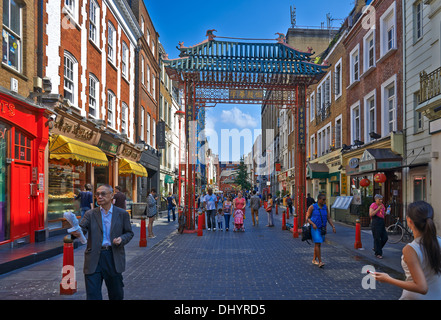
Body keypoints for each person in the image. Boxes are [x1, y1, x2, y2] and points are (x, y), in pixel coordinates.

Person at [72, 184, 134, 300]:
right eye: (97, 194)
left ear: (111, 196)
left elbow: (129, 233)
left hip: (113, 256)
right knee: (93, 295)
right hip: (94, 257)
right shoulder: (90, 214)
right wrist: (74, 233)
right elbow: (82, 229)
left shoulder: (122, 214)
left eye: (103, 194)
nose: (99, 196)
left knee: (116, 294)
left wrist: (121, 239)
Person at [373, 201, 441, 299]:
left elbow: (421, 287)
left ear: (409, 221)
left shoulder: (411, 249)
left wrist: (388, 279)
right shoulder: (439, 241)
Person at [306, 193, 336, 268]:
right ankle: (320, 261)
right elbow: (307, 218)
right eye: (323, 200)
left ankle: (314, 259)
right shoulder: (312, 207)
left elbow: (329, 218)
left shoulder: (325, 207)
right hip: (315, 228)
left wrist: (333, 226)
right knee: (318, 243)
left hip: (322, 228)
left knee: (318, 244)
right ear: (319, 199)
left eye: (325, 200)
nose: (324, 201)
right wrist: (313, 224)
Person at [369, 194, 388, 259]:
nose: (381, 201)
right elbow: (371, 214)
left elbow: (383, 214)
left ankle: (377, 248)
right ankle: (378, 253)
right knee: (377, 238)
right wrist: (378, 209)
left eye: (381, 199)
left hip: (382, 222)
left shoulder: (382, 205)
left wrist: (388, 211)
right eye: (379, 199)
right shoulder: (373, 205)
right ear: (376, 199)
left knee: (385, 237)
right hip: (375, 222)